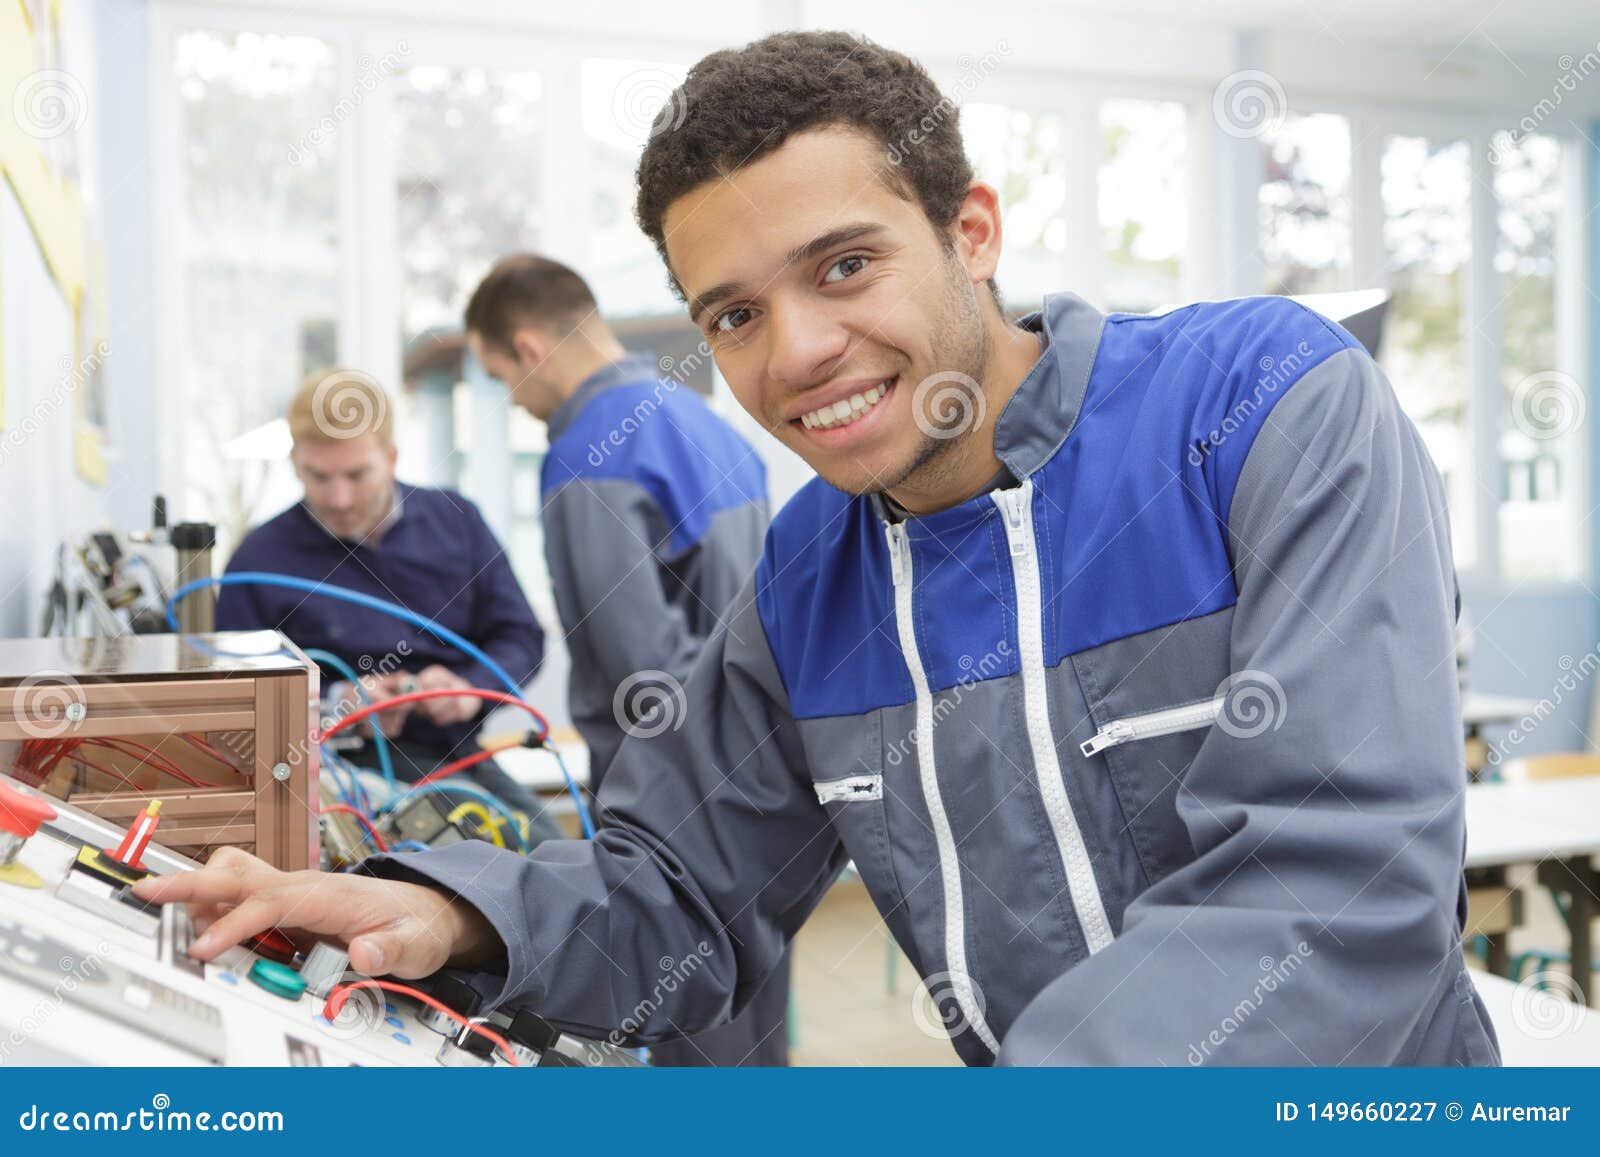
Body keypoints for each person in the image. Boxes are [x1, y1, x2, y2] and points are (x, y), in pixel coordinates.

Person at [142, 32, 1498, 1066]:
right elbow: (670, 892)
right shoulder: (811, 584)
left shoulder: (1261, 409)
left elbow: (1335, 881)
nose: (793, 352)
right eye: (732, 314)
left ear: (971, 231)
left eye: (842, 266)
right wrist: (444, 913)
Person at [463, 254, 787, 1065]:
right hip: (767, 778)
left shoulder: (584, 453)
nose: (514, 397)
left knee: (687, 1036)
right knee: (752, 1029)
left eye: (503, 374)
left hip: (673, 803)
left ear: (531, 345)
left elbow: (639, 665)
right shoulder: (708, 422)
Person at [214, 370, 560, 845]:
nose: (339, 499)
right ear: (295, 464)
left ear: (391, 458)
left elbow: (520, 636)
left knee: (555, 855)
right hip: (330, 772)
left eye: (357, 475)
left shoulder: (456, 523)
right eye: (318, 476)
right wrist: (339, 709)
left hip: (454, 753)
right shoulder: (257, 563)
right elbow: (234, 705)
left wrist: (471, 689)